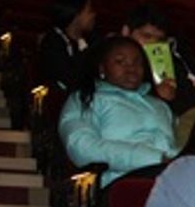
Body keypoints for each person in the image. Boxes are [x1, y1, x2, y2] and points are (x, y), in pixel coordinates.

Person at [58, 35, 177, 187]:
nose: (131, 69)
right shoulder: (87, 99)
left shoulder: (159, 105)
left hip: (169, 181)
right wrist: (154, 159)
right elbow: (81, 147)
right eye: (120, 62)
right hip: (122, 183)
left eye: (137, 62)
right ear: (102, 68)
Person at [121, 2, 195, 115]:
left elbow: (187, 103)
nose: (152, 44)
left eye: (159, 40)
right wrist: (155, 96)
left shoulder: (170, 62)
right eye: (147, 36)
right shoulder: (110, 61)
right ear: (126, 32)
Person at [37, 0, 94, 91]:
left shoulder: (91, 39)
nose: (93, 15)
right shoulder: (52, 42)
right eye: (89, 11)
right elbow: (71, 80)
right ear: (76, 15)